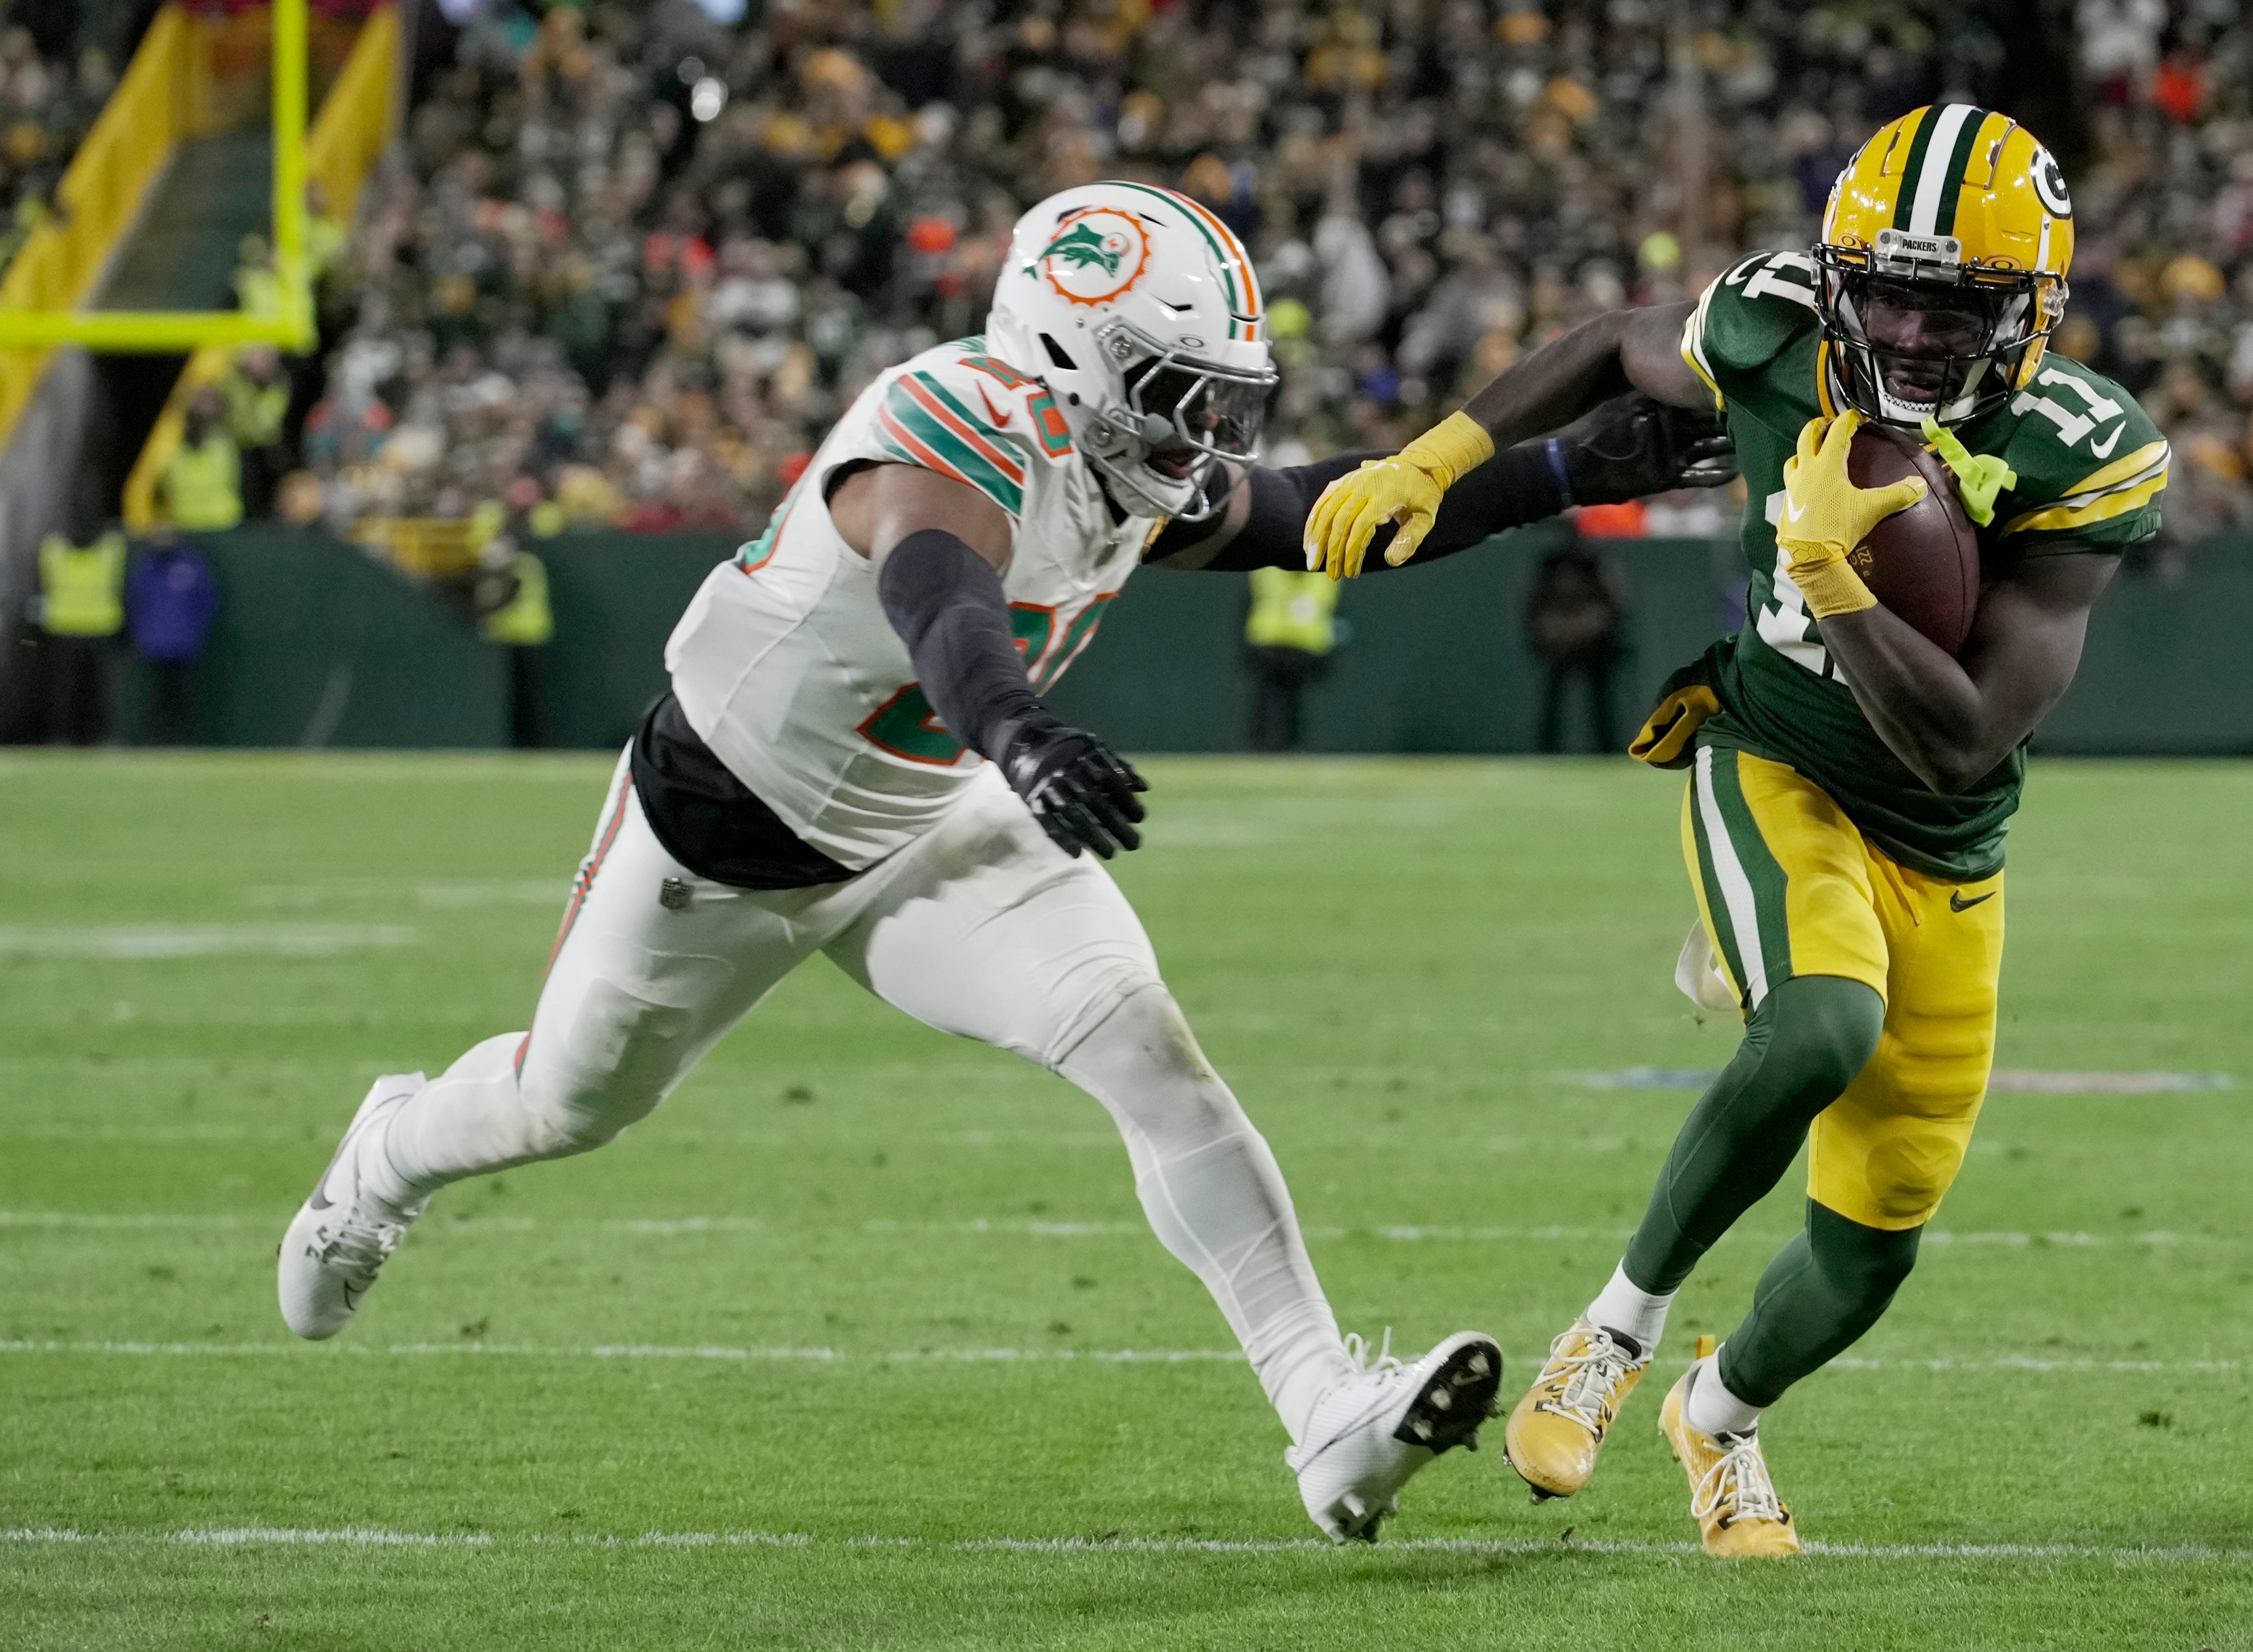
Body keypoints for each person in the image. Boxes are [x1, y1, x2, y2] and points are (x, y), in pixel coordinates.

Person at [277, 182, 1727, 1544]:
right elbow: (939, 589)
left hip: (935, 819)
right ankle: (385, 1153)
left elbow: (1304, 516)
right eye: (1177, 391)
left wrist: (1557, 467)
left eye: (1220, 393)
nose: (1205, 426)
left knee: (1154, 1061)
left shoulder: (1118, 453)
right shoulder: (952, 422)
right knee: (563, 1101)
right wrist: (1023, 730)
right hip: (729, 834)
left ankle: (1327, 1414)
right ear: (1067, 355)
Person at [1304, 107, 2166, 1555]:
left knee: (1870, 1245)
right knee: (1823, 1021)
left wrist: (1830, 564)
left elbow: (1964, 739)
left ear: (2030, 311)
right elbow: (1606, 338)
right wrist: (1431, 456)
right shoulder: (1774, 324)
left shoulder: (2084, 452)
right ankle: (1610, 1331)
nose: (1902, 325)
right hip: (1769, 752)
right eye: (1879, 288)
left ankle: (1716, 1415)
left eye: (1947, 303)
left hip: (1943, 831)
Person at [1524, 530, 1628, 754]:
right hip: (1559, 646)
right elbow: (1536, 605)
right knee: (1553, 704)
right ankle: (1546, 752)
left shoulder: (1596, 561)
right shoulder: (1550, 564)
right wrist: (1556, 633)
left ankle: (1608, 753)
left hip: (1595, 646)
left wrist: (1585, 630)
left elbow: (1613, 605)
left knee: (1601, 705)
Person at [36, 523, 125, 745]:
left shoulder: (56, 554)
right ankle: (68, 736)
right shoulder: (107, 555)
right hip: (77, 632)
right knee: (68, 693)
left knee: (96, 692)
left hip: (86, 631)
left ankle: (96, 737)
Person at [125, 534, 218, 744]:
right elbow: (136, 601)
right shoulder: (147, 566)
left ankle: (178, 742)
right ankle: (153, 742)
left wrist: (196, 633)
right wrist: (142, 634)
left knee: (181, 698)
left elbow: (206, 602)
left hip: (184, 646)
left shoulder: (192, 565)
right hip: (154, 645)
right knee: (154, 697)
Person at [1243, 566, 1336, 750]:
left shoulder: (1327, 565)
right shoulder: (1270, 566)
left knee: (1289, 702)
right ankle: (1264, 747)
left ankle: (1284, 748)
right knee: (1269, 700)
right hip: (1275, 644)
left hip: (1298, 646)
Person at [472, 536, 554, 749]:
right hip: (508, 639)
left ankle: (536, 744)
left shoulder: (523, 566)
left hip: (527, 638)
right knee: (515, 700)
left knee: (530, 698)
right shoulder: (517, 566)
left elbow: (508, 595)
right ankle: (521, 745)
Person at [222, 347, 292, 521]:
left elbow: (265, 426)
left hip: (264, 451)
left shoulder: (279, 384)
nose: (263, 363)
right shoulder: (233, 381)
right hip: (235, 448)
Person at [160, 387, 244, 531]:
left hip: (224, 525)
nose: (204, 409)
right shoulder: (170, 447)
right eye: (199, 403)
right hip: (185, 527)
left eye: (210, 403)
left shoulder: (227, 442)